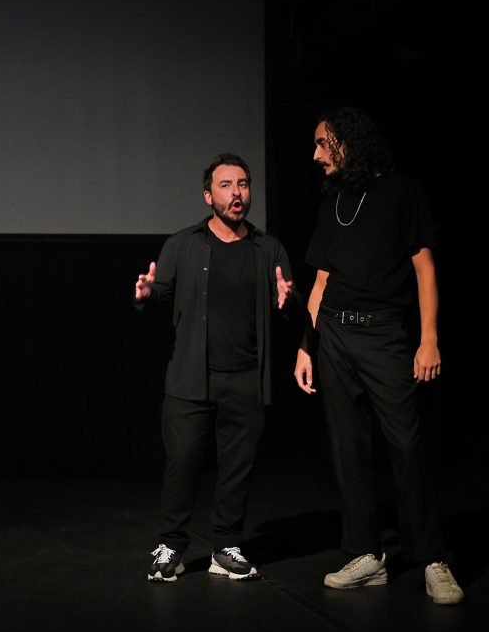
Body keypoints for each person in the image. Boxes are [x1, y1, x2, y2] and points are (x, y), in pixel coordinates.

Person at [293, 107, 463, 605]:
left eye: (323, 143)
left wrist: (428, 338)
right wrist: (306, 345)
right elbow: (320, 281)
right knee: (348, 448)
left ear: (347, 142)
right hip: (334, 339)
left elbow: (424, 267)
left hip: (385, 334)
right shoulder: (333, 204)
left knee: (406, 447)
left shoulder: (401, 191)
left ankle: (433, 558)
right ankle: (366, 554)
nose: (316, 155)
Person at [135, 153, 298, 582]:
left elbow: (289, 307)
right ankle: (172, 543)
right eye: (226, 185)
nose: (237, 193)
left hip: (245, 378)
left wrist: (287, 301)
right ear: (209, 196)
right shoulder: (183, 243)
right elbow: (159, 295)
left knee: (238, 465)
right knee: (183, 461)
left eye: (243, 184)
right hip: (190, 377)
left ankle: (225, 545)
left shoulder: (268, 248)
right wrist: (145, 294)